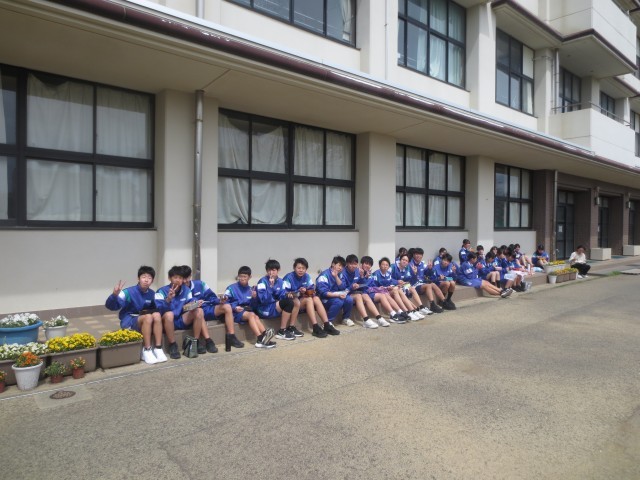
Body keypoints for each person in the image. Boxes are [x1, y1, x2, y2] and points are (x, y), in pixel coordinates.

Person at [105, 265, 167, 365]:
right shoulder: (128, 292)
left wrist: (168, 300)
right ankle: (146, 349)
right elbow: (111, 306)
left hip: (145, 320)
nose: (146, 280)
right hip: (129, 321)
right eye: (143, 277)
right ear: (138, 278)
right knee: (148, 317)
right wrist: (114, 295)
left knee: (156, 315)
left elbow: (160, 309)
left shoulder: (152, 293)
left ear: (152, 281)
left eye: (149, 278)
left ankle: (158, 348)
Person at [155, 266, 217, 359]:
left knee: (199, 311)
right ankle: (172, 345)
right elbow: (159, 310)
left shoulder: (186, 290)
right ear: (169, 278)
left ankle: (195, 342)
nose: (178, 280)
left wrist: (195, 304)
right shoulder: (161, 291)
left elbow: (187, 307)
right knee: (169, 314)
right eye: (175, 277)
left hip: (181, 319)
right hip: (167, 322)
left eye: (180, 278)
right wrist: (168, 299)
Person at [181, 265, 243, 349]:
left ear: (190, 276)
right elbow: (183, 307)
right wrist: (195, 305)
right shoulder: (180, 289)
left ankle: (231, 336)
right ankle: (208, 341)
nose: (185, 281)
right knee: (199, 312)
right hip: (193, 313)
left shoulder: (200, 284)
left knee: (227, 307)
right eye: (183, 278)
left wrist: (220, 301)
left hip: (207, 309)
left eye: (187, 278)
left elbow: (211, 297)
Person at [224, 266, 276, 348]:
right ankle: (260, 339)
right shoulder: (231, 288)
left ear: (250, 277)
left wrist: (254, 298)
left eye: (245, 277)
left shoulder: (251, 289)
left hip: (247, 311)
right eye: (240, 276)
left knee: (255, 316)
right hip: (235, 312)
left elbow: (253, 306)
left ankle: (264, 336)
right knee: (251, 315)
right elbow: (224, 302)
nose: (242, 279)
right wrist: (234, 308)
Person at [282, 258, 329, 338]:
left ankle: (327, 324)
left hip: (301, 302)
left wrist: (306, 290)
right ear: (294, 268)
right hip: (291, 305)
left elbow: (312, 290)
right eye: (299, 268)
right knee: (309, 300)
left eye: (303, 268)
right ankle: (315, 326)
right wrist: (298, 291)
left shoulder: (307, 276)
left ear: (306, 269)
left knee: (316, 298)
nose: (301, 270)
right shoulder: (288, 277)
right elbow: (284, 294)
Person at [255, 259, 299, 341]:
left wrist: (288, 295)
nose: (271, 272)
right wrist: (270, 287)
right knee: (288, 303)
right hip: (264, 309)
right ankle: (282, 331)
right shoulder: (262, 281)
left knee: (294, 301)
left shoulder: (280, 281)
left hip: (274, 306)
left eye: (273, 270)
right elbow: (263, 300)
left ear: (278, 270)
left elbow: (281, 295)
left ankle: (288, 328)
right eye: (269, 270)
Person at [341, 254, 387, 328]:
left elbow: (362, 283)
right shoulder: (343, 273)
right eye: (351, 264)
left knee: (365, 295)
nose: (353, 266)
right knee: (359, 296)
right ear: (347, 264)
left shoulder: (358, 271)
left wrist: (362, 277)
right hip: (346, 293)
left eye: (355, 264)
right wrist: (351, 287)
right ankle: (366, 319)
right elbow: (342, 288)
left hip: (356, 292)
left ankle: (379, 318)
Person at [370, 257, 411, 323]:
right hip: (377, 293)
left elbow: (391, 281)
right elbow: (373, 287)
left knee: (397, 289)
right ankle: (394, 314)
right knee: (386, 293)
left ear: (389, 266)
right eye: (383, 264)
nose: (385, 266)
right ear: (379, 265)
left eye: (387, 265)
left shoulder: (388, 274)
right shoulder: (375, 274)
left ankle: (402, 311)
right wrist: (383, 288)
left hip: (385, 291)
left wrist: (396, 284)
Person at [315, 256, 348, 335]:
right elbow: (323, 293)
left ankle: (345, 318)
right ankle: (327, 322)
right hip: (324, 299)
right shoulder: (324, 275)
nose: (340, 268)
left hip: (335, 296)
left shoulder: (340, 274)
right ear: (333, 264)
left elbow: (343, 287)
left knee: (349, 299)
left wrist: (336, 277)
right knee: (339, 301)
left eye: (342, 266)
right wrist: (337, 295)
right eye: (339, 265)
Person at [391, 253, 426, 320]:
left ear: (408, 262)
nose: (404, 261)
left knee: (412, 288)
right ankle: (412, 310)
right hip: (393, 286)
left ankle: (421, 307)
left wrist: (415, 273)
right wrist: (396, 281)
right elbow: (388, 278)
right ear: (400, 260)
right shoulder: (393, 267)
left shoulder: (408, 267)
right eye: (403, 259)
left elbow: (412, 281)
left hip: (402, 285)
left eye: (406, 261)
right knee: (401, 291)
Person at [408, 247, 444, 313]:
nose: (418, 256)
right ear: (413, 255)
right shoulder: (410, 264)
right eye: (417, 254)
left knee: (433, 284)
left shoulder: (422, 264)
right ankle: (432, 304)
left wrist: (430, 269)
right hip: (414, 285)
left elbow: (428, 274)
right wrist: (414, 273)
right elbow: (409, 278)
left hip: (422, 284)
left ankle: (444, 301)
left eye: (420, 254)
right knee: (428, 285)